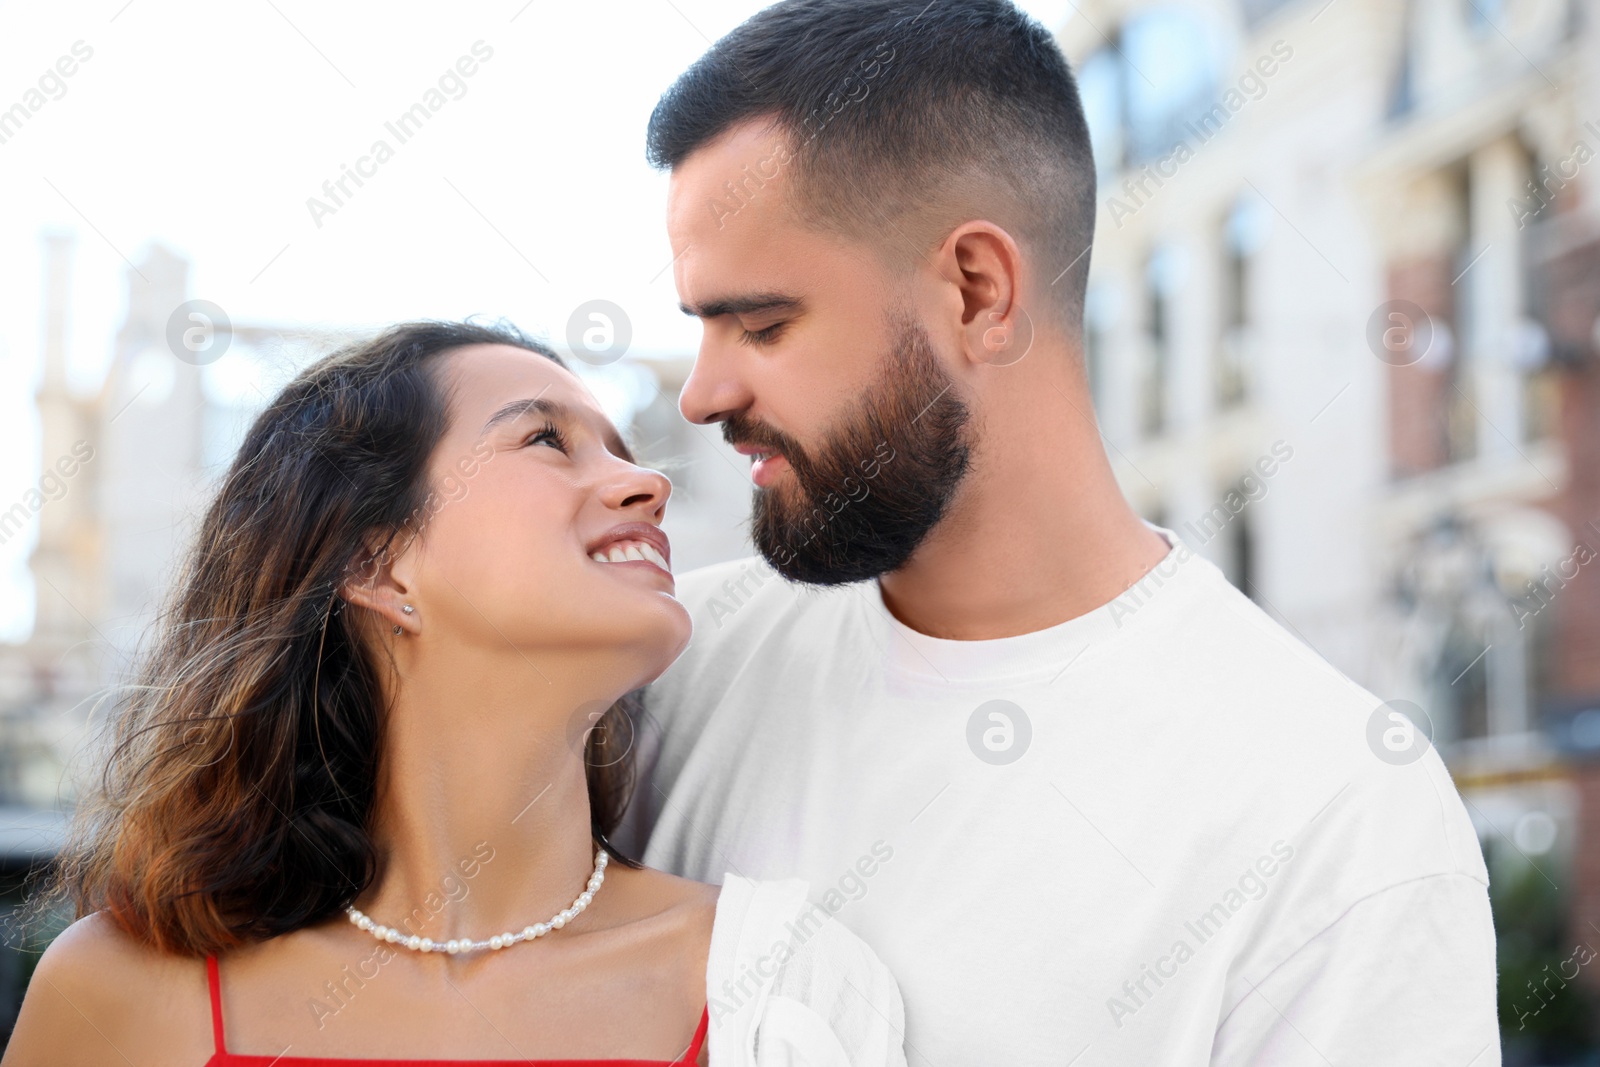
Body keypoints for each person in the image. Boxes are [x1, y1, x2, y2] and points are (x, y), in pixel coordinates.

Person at [617, 0, 1502, 1062]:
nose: (704, 394)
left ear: (978, 290)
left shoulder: (1333, 814)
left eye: (761, 323)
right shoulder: (664, 673)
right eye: (700, 327)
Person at [5, 321, 906, 1066]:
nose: (649, 484)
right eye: (547, 438)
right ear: (375, 559)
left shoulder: (779, 987)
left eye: (624, 453)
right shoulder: (119, 993)